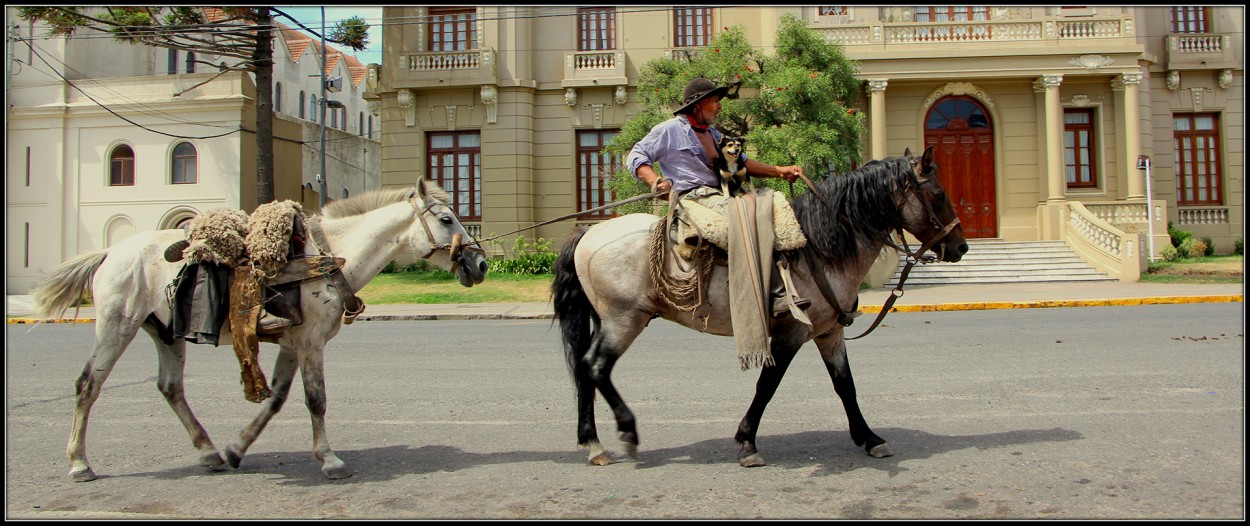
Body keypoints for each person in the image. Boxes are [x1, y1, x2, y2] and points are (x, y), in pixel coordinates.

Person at [626, 77, 811, 320]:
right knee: (750, 218)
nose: (719, 105)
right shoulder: (669, 130)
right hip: (692, 197)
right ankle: (775, 294)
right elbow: (636, 156)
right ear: (697, 105)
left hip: (718, 196)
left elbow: (743, 164)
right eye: (714, 100)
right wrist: (654, 181)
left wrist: (780, 170)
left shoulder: (715, 135)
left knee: (770, 210)